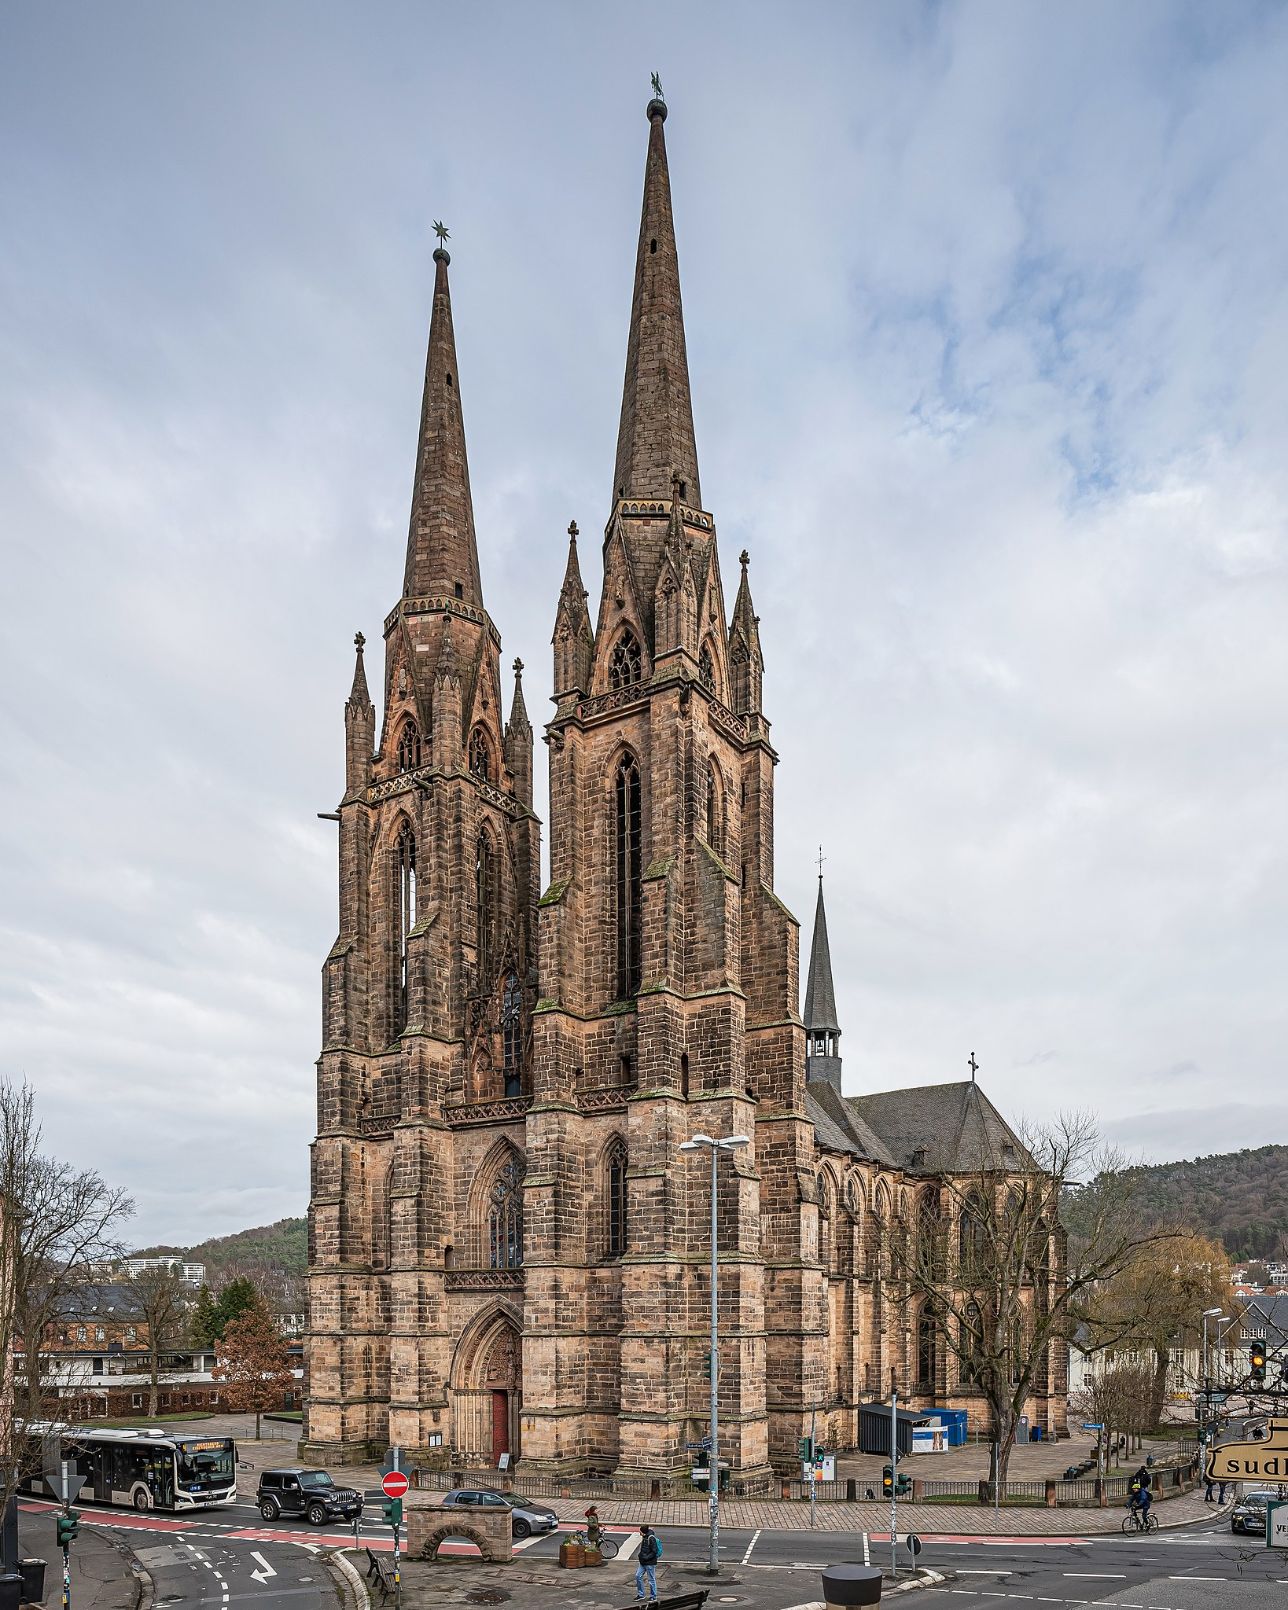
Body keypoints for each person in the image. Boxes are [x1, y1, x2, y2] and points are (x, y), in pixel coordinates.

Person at [636, 1524, 662, 1604]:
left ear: (643, 1532)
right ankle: (641, 1594)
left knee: (651, 1580)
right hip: (643, 1562)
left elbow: (654, 1551)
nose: (639, 1532)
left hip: (650, 1562)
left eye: (640, 1531)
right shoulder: (644, 1537)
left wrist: (646, 1557)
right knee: (638, 1576)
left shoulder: (651, 1538)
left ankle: (653, 1596)